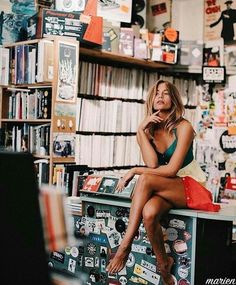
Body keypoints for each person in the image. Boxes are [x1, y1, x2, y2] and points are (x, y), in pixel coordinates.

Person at [106, 80, 221, 285]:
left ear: (174, 99)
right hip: (167, 185)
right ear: (151, 99)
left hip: (190, 185)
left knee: (145, 177)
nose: (160, 96)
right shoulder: (149, 129)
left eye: (166, 93)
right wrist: (141, 132)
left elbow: (170, 169)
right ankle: (163, 264)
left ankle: (125, 245)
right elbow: (152, 163)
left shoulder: (184, 127)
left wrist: (133, 170)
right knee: (149, 213)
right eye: (157, 93)